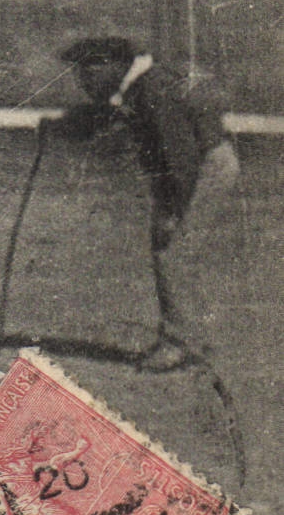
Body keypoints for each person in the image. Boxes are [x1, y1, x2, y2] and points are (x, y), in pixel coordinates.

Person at [57, 37, 240, 372]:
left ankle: (178, 343)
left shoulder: (153, 90)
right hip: (201, 164)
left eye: (88, 71)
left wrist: (175, 209)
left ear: (111, 66)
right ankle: (196, 338)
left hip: (204, 168)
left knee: (172, 250)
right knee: (173, 249)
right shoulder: (144, 84)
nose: (82, 81)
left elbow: (180, 155)